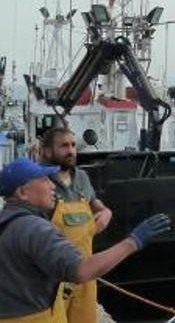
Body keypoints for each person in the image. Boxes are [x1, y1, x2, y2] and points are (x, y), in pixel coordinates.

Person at [0, 158, 171, 322]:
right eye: (44, 180)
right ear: (23, 192)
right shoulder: (36, 228)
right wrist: (133, 241)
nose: (52, 186)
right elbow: (82, 270)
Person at [39, 127, 113, 323]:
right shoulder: (39, 182)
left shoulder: (82, 178)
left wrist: (106, 212)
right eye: (64, 146)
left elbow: (96, 204)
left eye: (72, 145)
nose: (71, 150)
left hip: (85, 275)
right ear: (46, 151)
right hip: (53, 278)